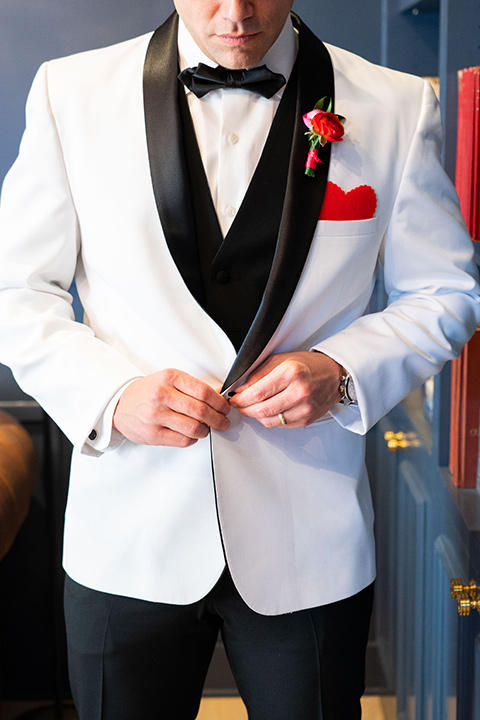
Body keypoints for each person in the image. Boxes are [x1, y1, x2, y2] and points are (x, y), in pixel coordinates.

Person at [0, 1, 479, 718]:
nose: (236, 13)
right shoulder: (69, 94)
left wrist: (344, 370)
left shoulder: (398, 106)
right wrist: (111, 395)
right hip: (126, 536)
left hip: (308, 538)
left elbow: (446, 291)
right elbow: (16, 291)